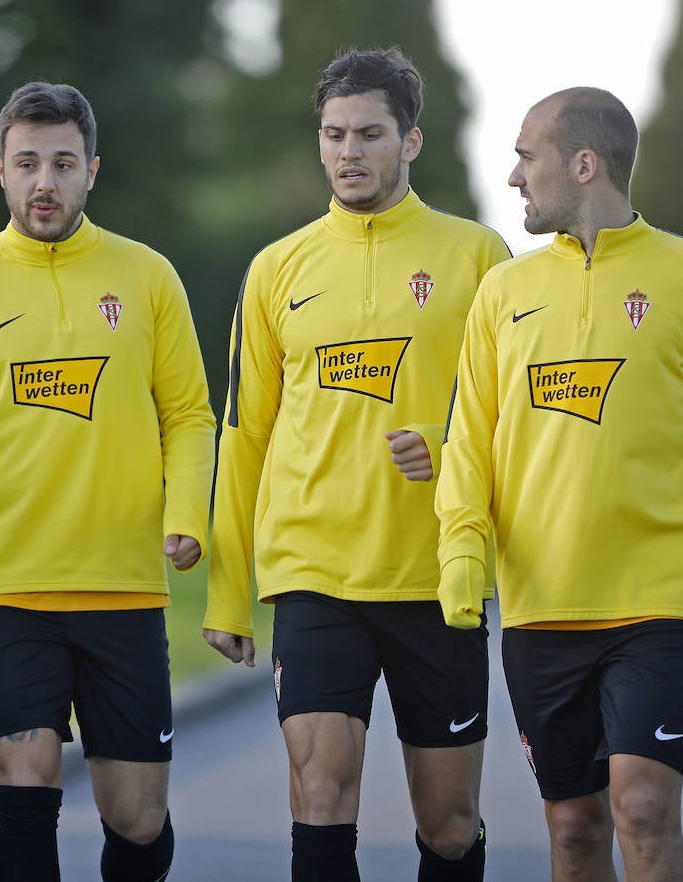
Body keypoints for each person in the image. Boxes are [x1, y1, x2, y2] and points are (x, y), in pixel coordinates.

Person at [435, 87, 683, 881]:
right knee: (573, 827)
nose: (514, 177)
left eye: (528, 156)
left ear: (584, 163)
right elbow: (469, 442)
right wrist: (462, 549)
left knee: (641, 807)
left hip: (659, 600)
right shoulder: (502, 294)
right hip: (542, 603)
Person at [0, 81, 216, 882]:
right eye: (27, 163)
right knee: (23, 780)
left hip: (124, 589)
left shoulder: (147, 277)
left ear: (92, 170)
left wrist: (188, 516)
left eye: (63, 164)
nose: (44, 183)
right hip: (8, 590)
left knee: (135, 821)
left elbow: (192, 418)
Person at [204, 46, 510, 881]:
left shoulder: (479, 258)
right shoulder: (276, 269)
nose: (349, 152)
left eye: (369, 134)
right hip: (313, 573)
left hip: (434, 577)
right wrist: (230, 590)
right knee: (319, 792)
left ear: (410, 142)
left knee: (448, 827)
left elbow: (512, 425)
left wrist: (446, 457)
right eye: (334, 134)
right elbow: (244, 436)